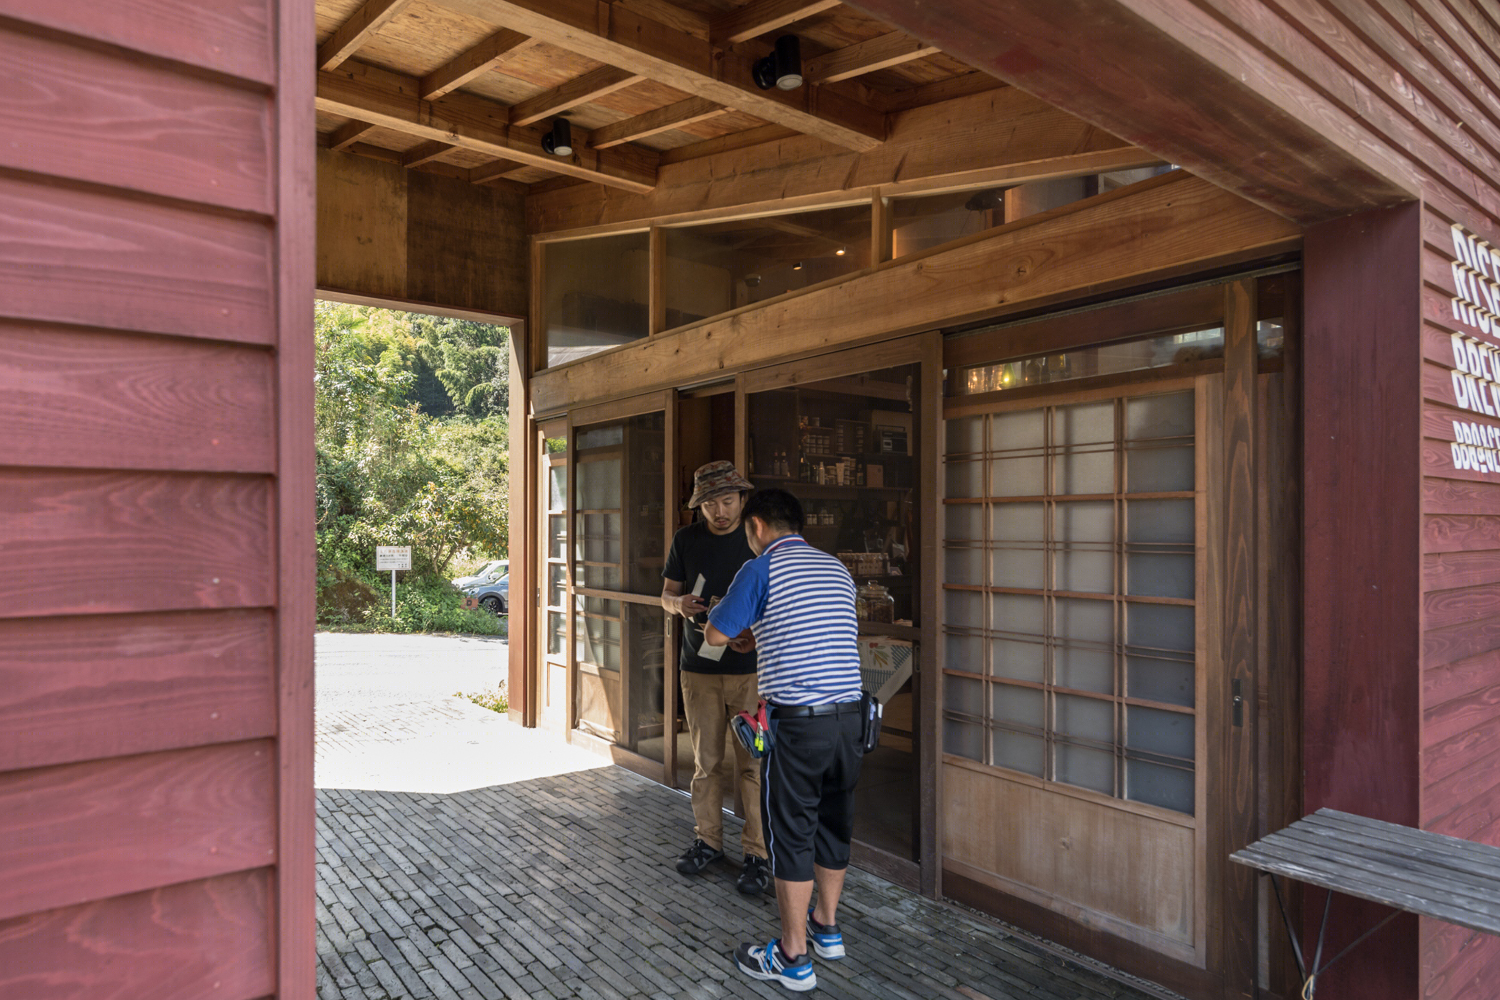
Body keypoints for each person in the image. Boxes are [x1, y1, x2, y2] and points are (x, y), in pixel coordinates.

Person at [705, 488, 864, 993]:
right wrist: (759, 630)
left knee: (792, 834)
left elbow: (713, 633)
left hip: (799, 724)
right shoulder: (835, 567)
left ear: (755, 526)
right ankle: (827, 927)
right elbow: (812, 628)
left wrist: (736, 631)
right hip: (852, 718)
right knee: (834, 824)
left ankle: (793, 957)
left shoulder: (761, 567)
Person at [660, 460, 770, 895]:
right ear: (698, 506)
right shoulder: (686, 540)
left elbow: (775, 607)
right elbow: (665, 595)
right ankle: (707, 841)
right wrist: (678, 604)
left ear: (743, 500)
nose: (719, 510)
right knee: (707, 764)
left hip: (752, 675)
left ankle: (757, 854)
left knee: (754, 766)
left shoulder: (758, 543)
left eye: (727, 500)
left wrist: (755, 638)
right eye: (709, 503)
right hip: (699, 670)